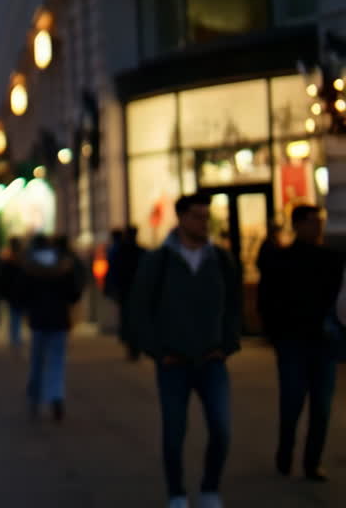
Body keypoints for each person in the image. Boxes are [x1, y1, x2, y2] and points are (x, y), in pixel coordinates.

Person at [130, 193, 242, 508]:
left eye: (207, 217)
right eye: (197, 216)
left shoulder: (220, 259)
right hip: (174, 362)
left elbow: (234, 306)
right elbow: (140, 311)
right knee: (174, 432)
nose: (203, 223)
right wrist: (158, 350)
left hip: (212, 360)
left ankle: (210, 488)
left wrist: (227, 344)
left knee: (221, 429)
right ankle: (177, 492)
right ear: (180, 218)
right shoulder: (159, 260)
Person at [257, 205, 343, 482]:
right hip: (293, 341)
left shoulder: (331, 258)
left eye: (320, 221)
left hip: (323, 342)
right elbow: (267, 299)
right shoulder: (282, 259)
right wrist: (275, 333)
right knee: (292, 403)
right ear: (298, 224)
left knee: (321, 407)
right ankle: (286, 455)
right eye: (312, 221)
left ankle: (311, 462)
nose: (318, 226)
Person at [18, 233, 84, 421]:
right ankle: (56, 396)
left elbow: (21, 292)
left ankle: (35, 397)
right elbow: (74, 293)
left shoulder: (30, 266)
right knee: (57, 361)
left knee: (37, 361)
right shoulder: (63, 265)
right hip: (59, 319)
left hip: (38, 319)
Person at [109, 226, 147, 360]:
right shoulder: (140, 251)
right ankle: (134, 346)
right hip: (134, 290)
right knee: (134, 319)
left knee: (128, 318)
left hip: (127, 290)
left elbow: (114, 271)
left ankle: (132, 346)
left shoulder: (120, 251)